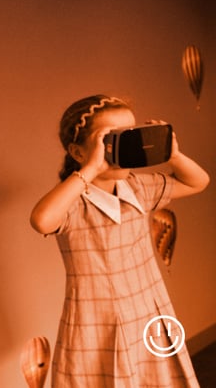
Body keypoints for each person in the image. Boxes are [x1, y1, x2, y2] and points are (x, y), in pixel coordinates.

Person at [30, 94, 209, 386]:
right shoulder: (74, 201)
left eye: (130, 135)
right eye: (110, 139)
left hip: (148, 310)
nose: (124, 146)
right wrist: (90, 169)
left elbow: (198, 182)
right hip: (98, 320)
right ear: (77, 151)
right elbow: (42, 220)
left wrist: (172, 154)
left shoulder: (138, 188)